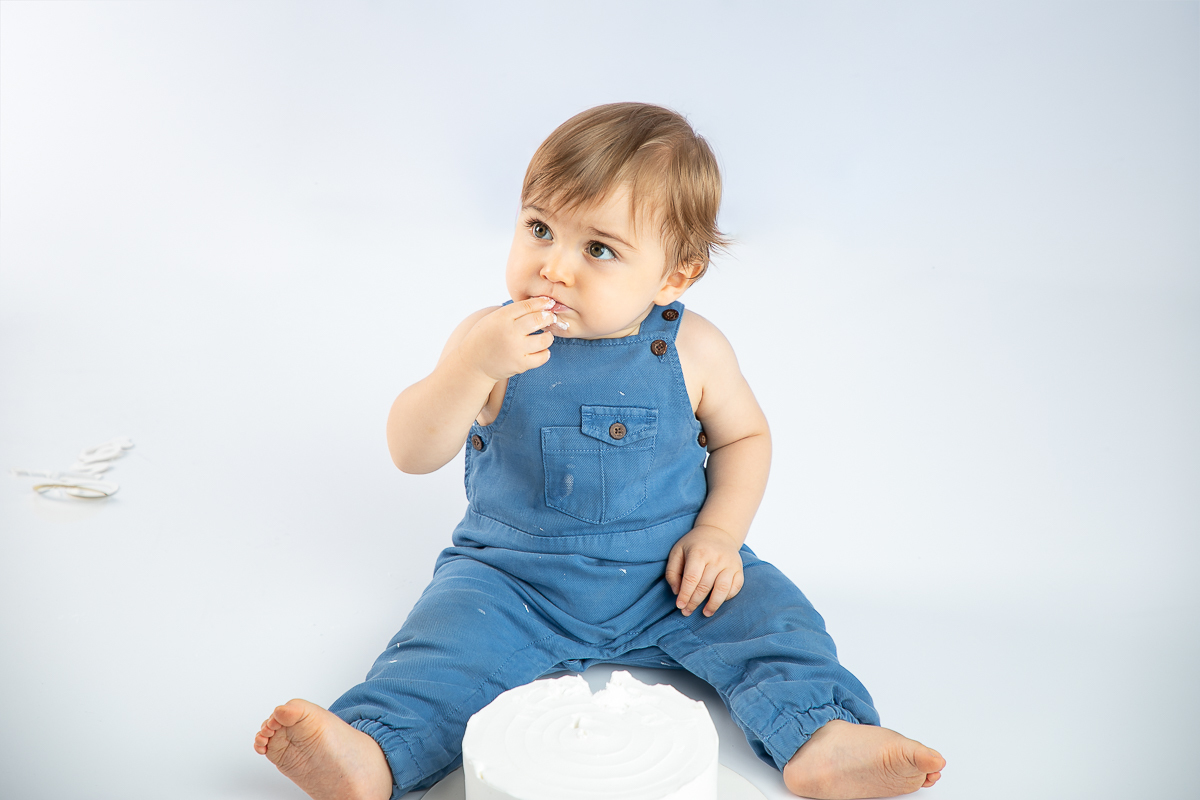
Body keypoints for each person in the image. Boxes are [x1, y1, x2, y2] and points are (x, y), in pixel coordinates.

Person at [254, 102, 946, 800]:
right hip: (512, 583)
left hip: (672, 580)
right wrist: (469, 368)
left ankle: (822, 737)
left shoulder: (694, 348)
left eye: (599, 249)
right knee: (439, 652)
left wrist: (719, 534)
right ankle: (372, 753)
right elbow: (411, 450)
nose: (554, 267)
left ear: (675, 276)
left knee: (775, 623)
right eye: (540, 229)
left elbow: (745, 437)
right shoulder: (488, 341)